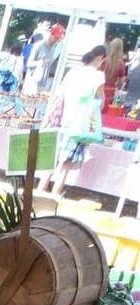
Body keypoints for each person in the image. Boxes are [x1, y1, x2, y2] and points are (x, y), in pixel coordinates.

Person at [40, 44, 106, 198]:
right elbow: (101, 102)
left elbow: (60, 94)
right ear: (100, 58)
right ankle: (55, 195)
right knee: (66, 164)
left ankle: (40, 191)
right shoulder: (97, 76)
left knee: (53, 160)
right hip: (81, 124)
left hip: (63, 119)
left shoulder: (73, 71)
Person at [103, 36, 127, 112]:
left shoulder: (104, 60)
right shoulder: (120, 63)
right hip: (111, 91)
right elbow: (122, 81)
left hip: (100, 88)